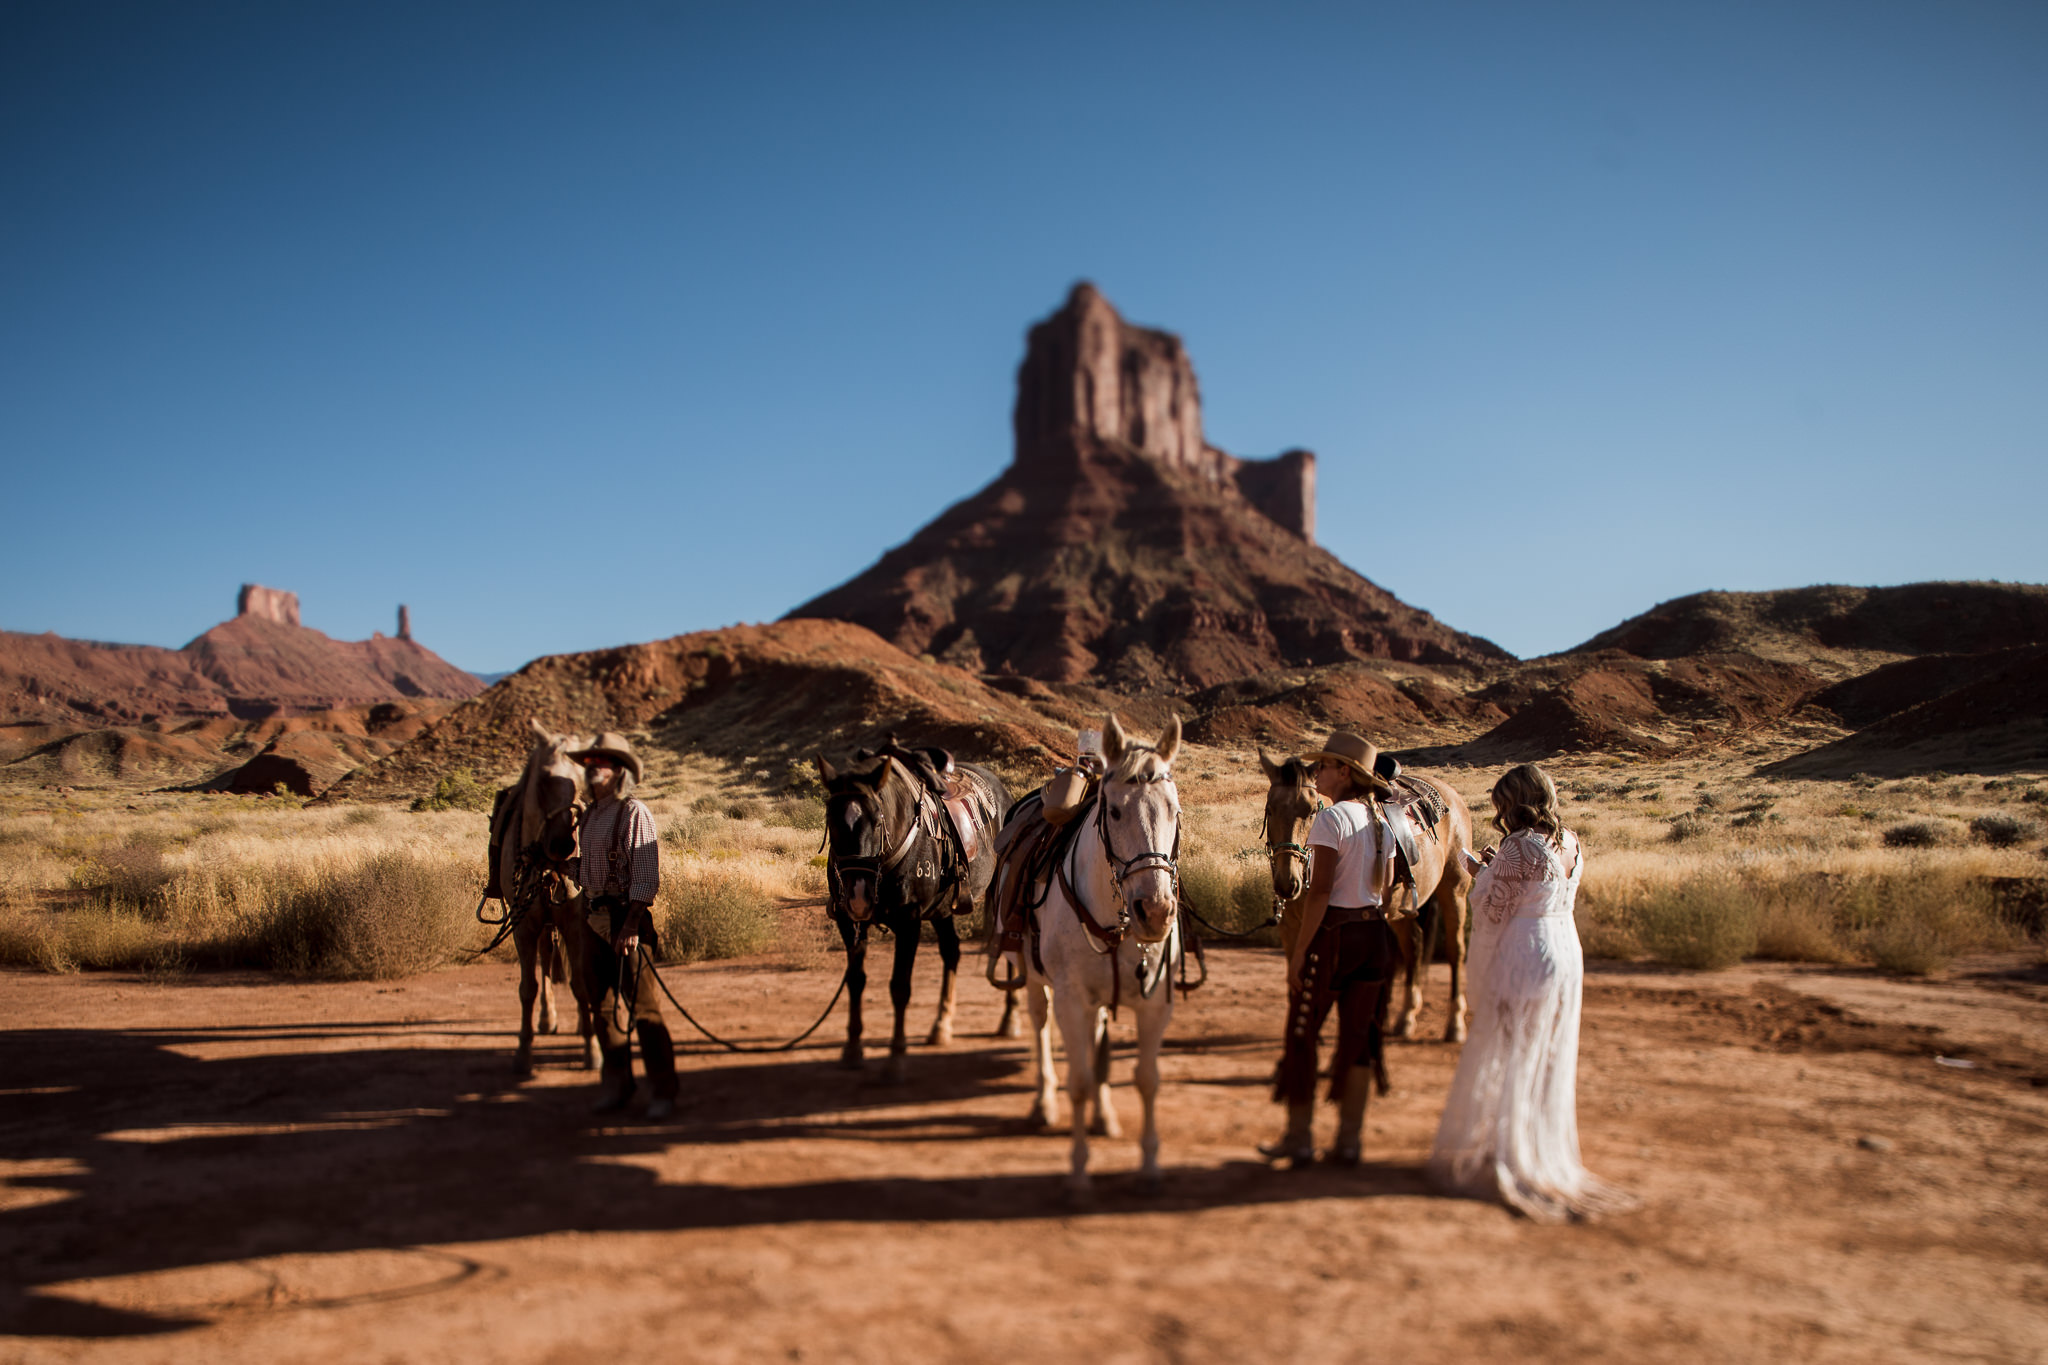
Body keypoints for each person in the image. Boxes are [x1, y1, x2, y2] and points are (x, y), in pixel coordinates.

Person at [1428, 763, 1635, 1221]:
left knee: (1511, 1047)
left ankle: (1510, 1153)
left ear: (1516, 801)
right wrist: (1493, 868)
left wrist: (1480, 874)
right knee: (1546, 1052)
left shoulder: (1519, 846)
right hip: (1565, 950)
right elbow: (1537, 891)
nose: (1500, 811)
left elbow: (1493, 910)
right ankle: (1537, 1145)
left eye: (1503, 802)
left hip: (1526, 955)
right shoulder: (1572, 842)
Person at [1260, 730, 1400, 1168]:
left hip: (1334, 936)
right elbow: (1389, 884)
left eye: (1323, 766)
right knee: (1360, 1039)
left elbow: (1318, 893)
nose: (1315, 772)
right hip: (1375, 936)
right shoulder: (1382, 821)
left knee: (1302, 1033)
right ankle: (1349, 1142)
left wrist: (1300, 952)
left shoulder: (1330, 819)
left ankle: (1299, 1139)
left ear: (1345, 772)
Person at [571, 732, 678, 1120]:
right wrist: (563, 867)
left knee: (644, 1010)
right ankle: (618, 1085)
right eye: (590, 761)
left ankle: (664, 1092)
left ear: (618, 770)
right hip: (591, 916)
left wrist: (631, 925)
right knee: (599, 1006)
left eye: (600, 762)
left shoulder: (634, 812)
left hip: (625, 920)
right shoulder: (589, 815)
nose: (592, 767)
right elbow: (588, 871)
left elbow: (646, 877)